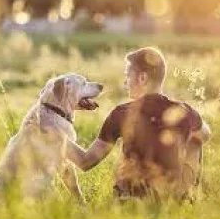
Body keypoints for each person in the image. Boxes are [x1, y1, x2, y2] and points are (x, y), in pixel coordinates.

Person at [67, 47, 211, 202]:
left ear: (142, 78)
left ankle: (130, 192)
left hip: (129, 202)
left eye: (128, 76)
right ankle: (189, 195)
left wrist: (56, 137)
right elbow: (205, 135)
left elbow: (86, 162)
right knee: (196, 140)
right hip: (170, 200)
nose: (125, 82)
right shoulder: (185, 111)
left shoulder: (121, 113)